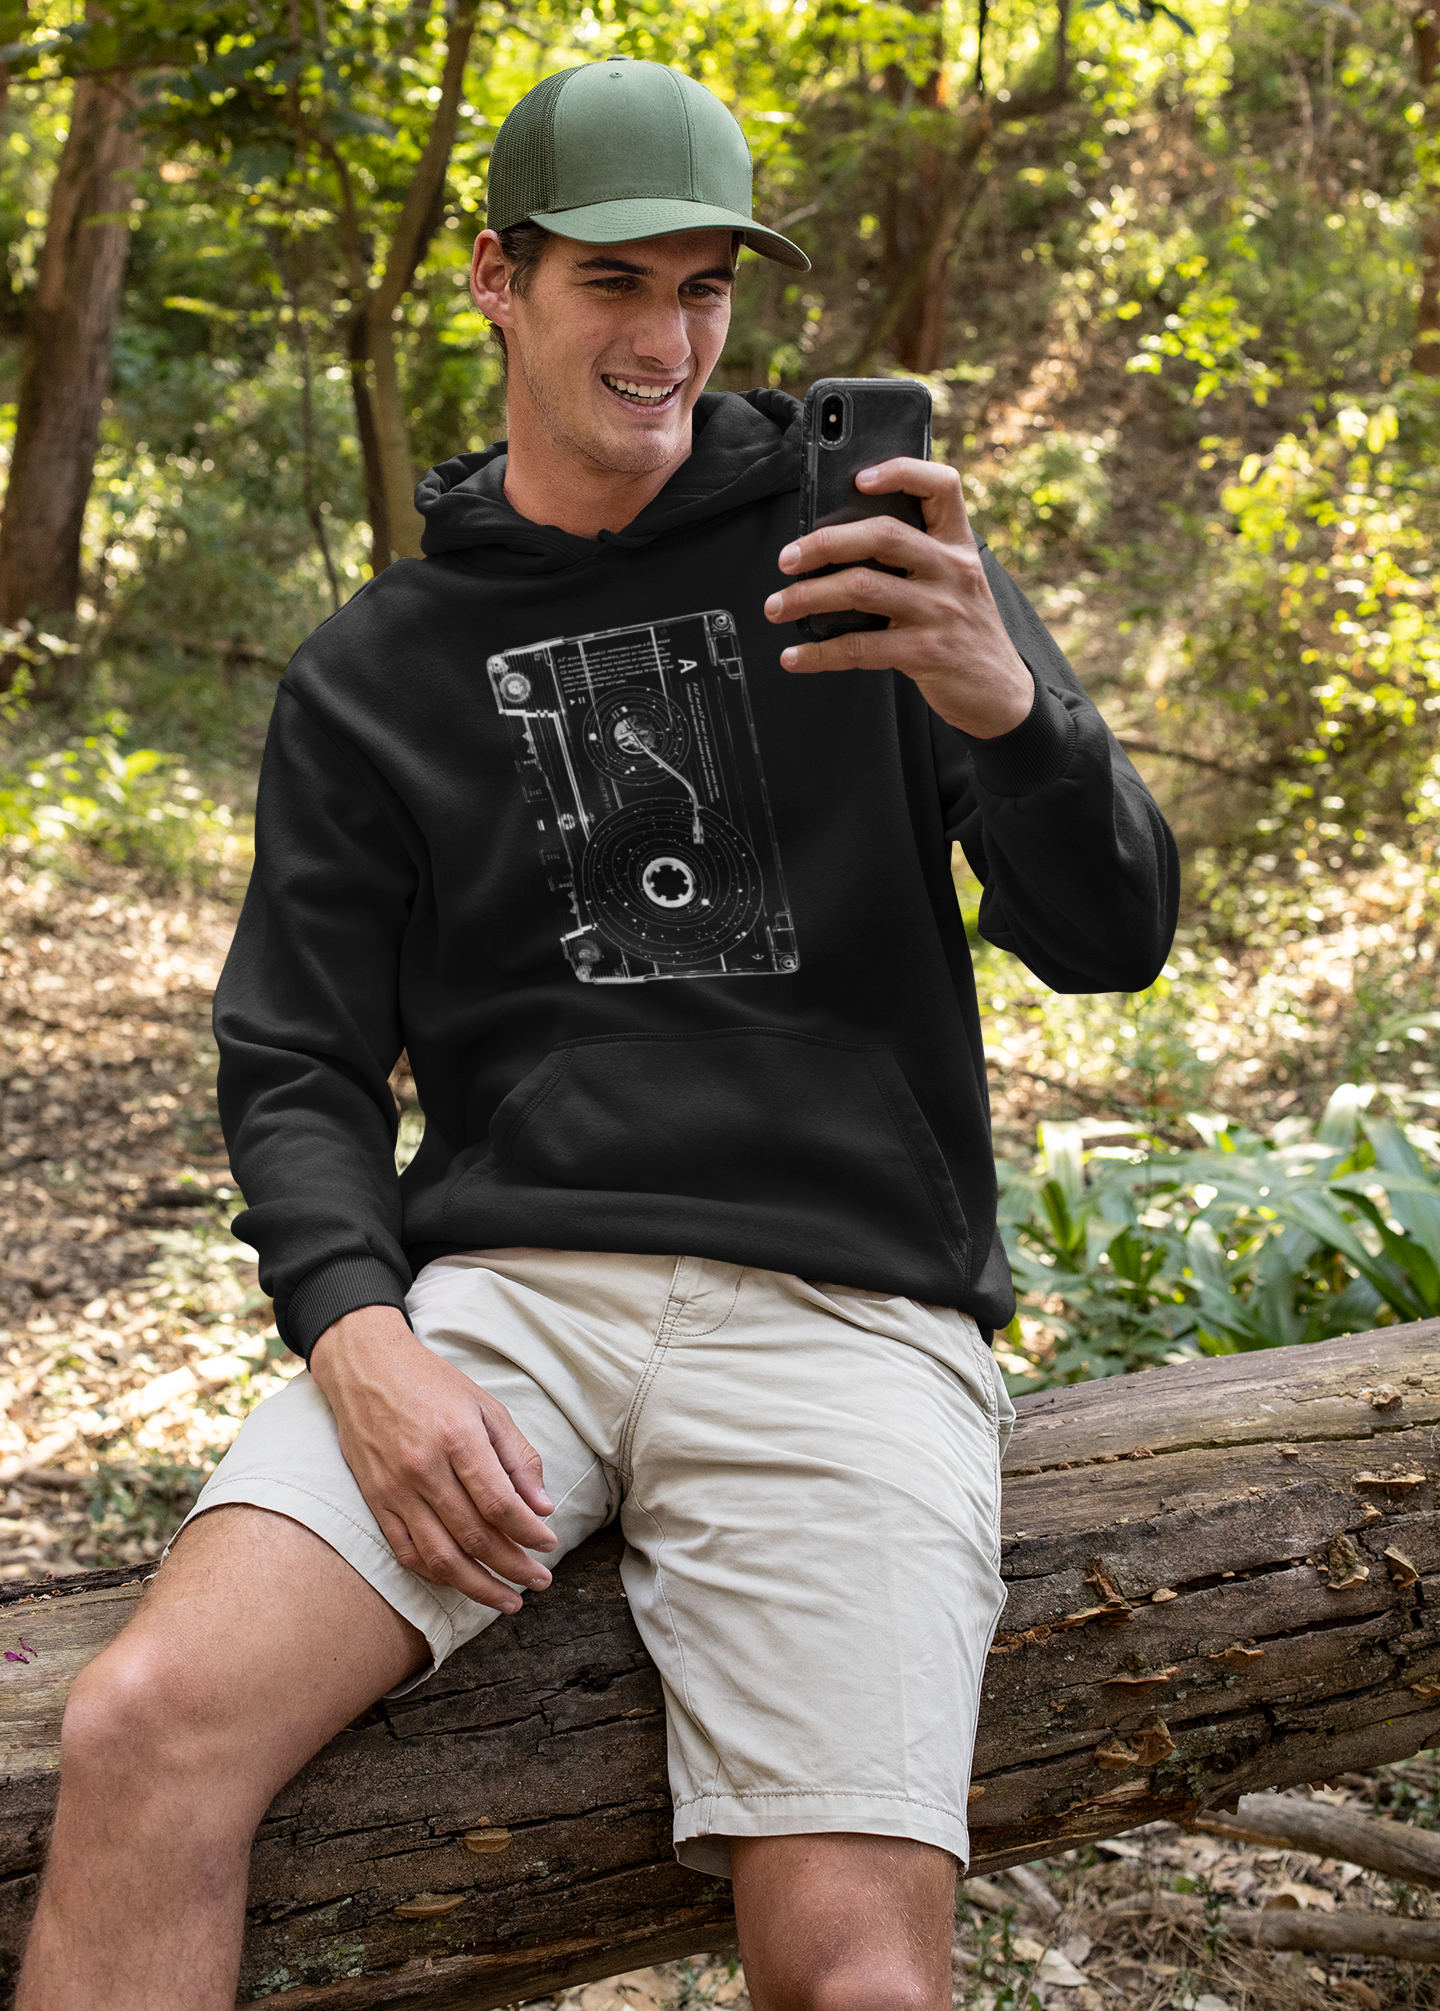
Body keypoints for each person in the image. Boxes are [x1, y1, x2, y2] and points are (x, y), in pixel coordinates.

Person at [17, 56, 1177, 2011]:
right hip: (502, 1310)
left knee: (855, 1972)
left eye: (704, 288)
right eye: (614, 283)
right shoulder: (375, 672)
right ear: (496, 278)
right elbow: (295, 1057)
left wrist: (1011, 709)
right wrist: (358, 1337)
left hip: (845, 1310)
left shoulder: (881, 564)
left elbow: (1112, 938)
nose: (669, 339)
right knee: (140, 1732)